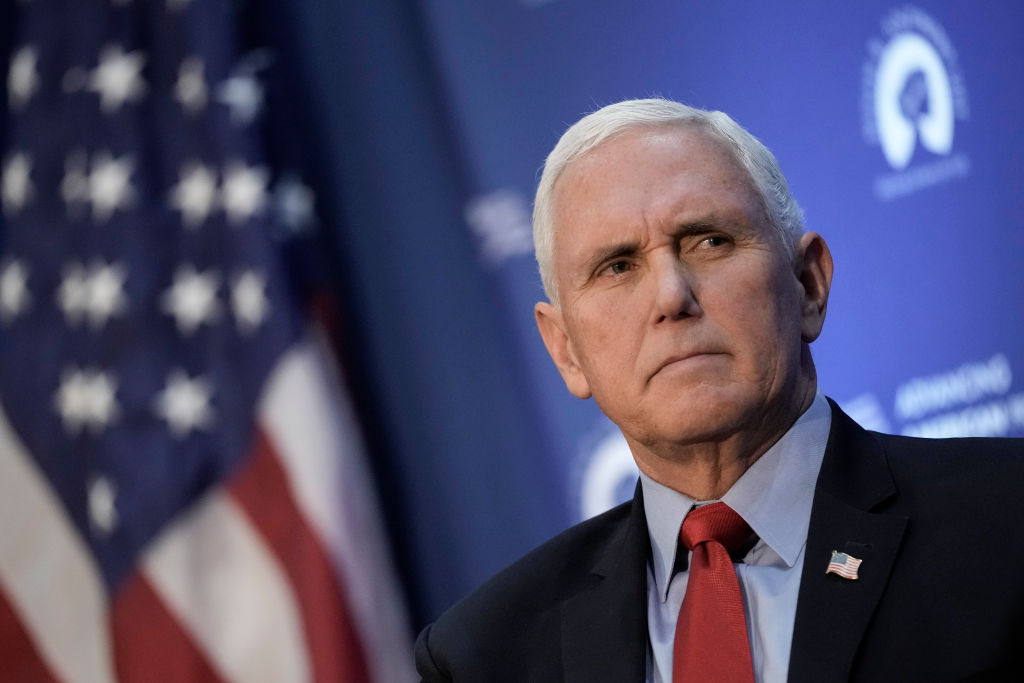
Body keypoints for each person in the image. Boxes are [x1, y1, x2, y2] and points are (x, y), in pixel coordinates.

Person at [414, 98, 1024, 682]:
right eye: (618, 266)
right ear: (566, 350)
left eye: (710, 241)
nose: (672, 296)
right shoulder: (485, 655)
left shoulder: (1004, 519)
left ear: (808, 285)